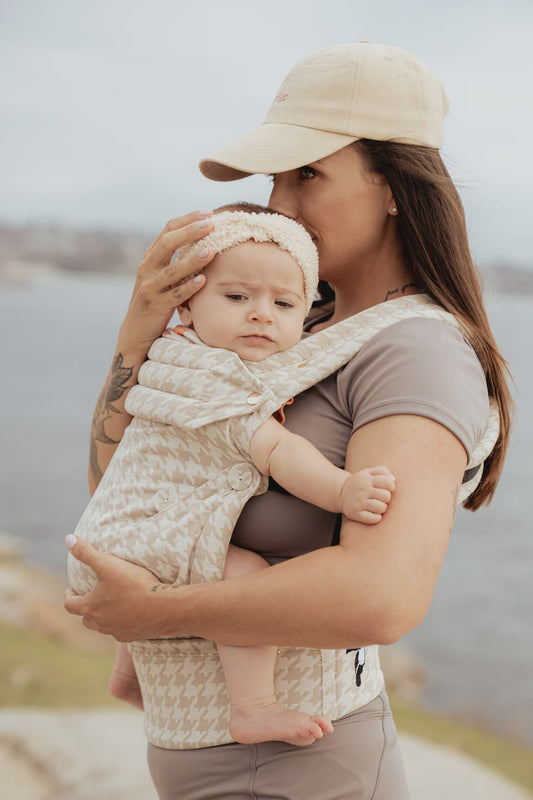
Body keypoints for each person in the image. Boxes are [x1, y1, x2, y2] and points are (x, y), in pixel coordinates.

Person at [64, 41, 512, 800]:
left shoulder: (413, 351)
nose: (280, 205)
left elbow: (381, 598)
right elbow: (132, 494)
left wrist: (151, 615)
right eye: (276, 177)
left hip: (299, 770)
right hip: (200, 757)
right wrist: (137, 342)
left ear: (397, 186)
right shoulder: (281, 331)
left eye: (309, 174)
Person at [71, 204, 396, 748]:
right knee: (243, 570)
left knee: (162, 547)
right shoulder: (222, 381)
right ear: (187, 306)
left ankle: (128, 675)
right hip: (136, 550)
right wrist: (342, 489)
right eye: (237, 297)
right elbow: (278, 453)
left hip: (110, 539)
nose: (261, 314)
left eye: (284, 303)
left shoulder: (170, 353)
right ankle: (254, 706)